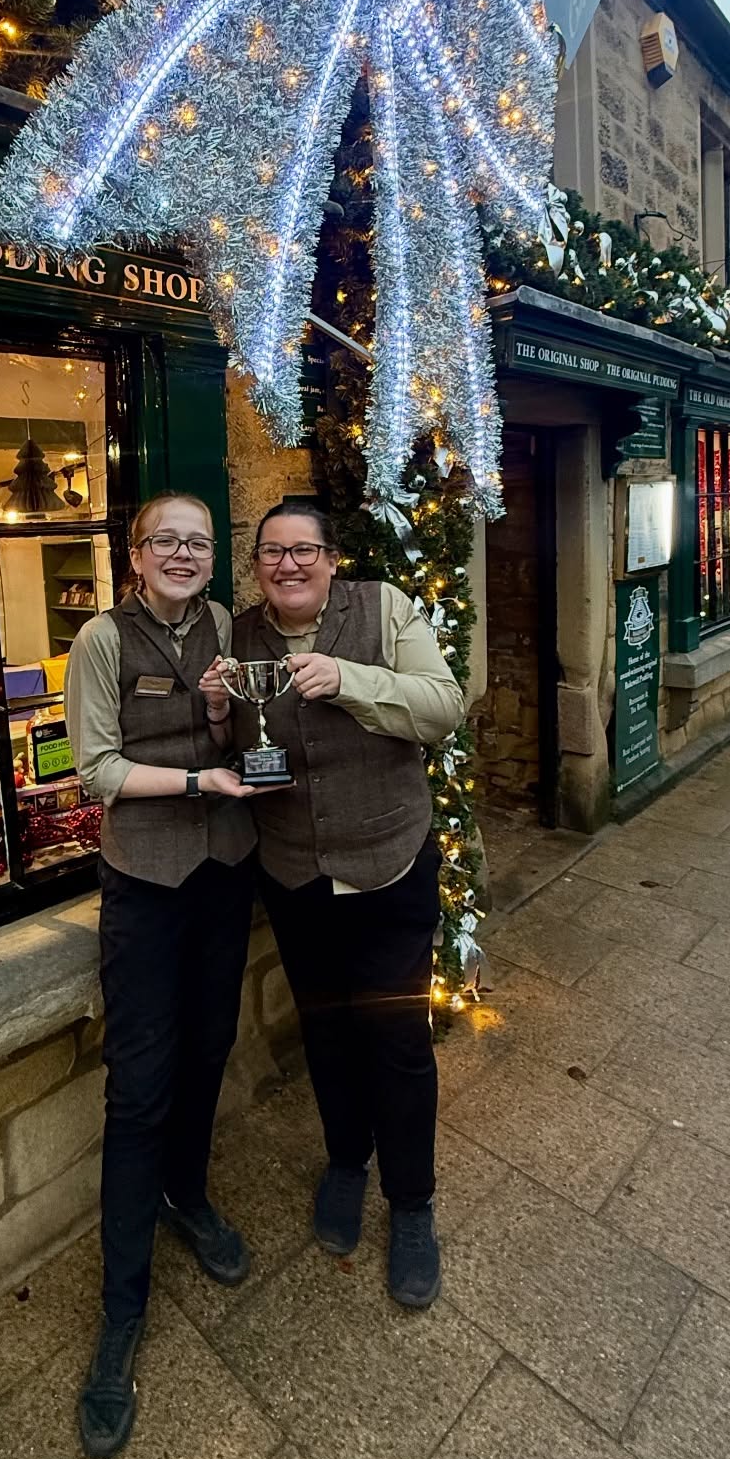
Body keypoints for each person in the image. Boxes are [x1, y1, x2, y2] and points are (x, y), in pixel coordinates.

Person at [223, 499, 462, 1312]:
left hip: (388, 864)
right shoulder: (241, 637)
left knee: (397, 1040)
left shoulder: (384, 609)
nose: (287, 565)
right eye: (272, 553)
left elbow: (443, 707)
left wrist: (350, 679)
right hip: (295, 873)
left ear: (330, 559)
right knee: (325, 1032)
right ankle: (346, 1163)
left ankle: (413, 1203)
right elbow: (233, 749)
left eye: (304, 551)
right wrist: (219, 711)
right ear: (257, 565)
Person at [65, 492, 257, 1459]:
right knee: (138, 1087)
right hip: (144, 884)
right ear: (136, 554)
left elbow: (238, 744)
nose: (183, 553)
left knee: (212, 1045)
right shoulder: (101, 640)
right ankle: (120, 1315)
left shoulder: (225, 625)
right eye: (166, 541)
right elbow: (95, 769)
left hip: (223, 873)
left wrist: (222, 715)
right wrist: (193, 780)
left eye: (198, 542)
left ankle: (188, 1193)